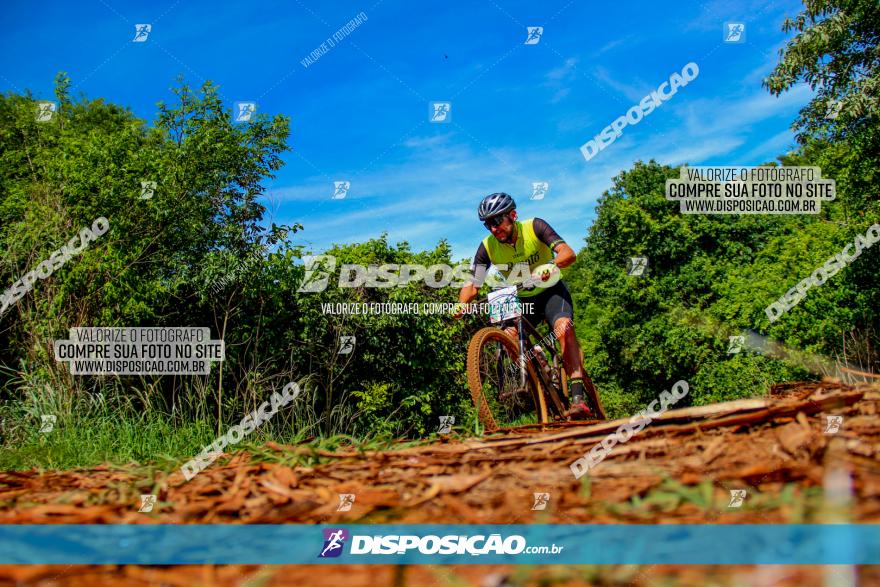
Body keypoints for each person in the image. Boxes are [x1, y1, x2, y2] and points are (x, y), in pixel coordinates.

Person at [454, 192, 600, 420]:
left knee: (564, 328)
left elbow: (568, 253)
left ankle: (578, 397)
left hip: (551, 292)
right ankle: (538, 371)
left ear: (512, 215)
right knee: (509, 335)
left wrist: (551, 266)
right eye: (487, 225)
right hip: (521, 298)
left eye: (497, 221)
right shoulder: (487, 247)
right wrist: (461, 304)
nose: (493, 228)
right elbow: (473, 285)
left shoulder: (535, 227)